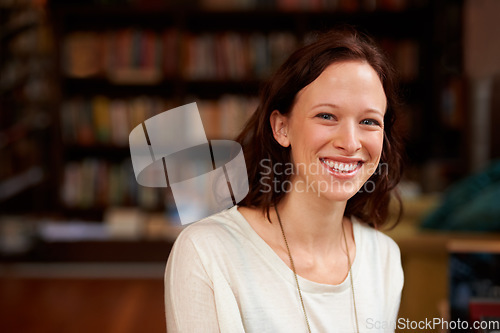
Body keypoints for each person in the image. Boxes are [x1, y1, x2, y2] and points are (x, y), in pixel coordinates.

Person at [164, 27, 405, 333]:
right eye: (327, 116)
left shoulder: (383, 258)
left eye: (369, 121)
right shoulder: (207, 252)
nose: (350, 142)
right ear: (282, 128)